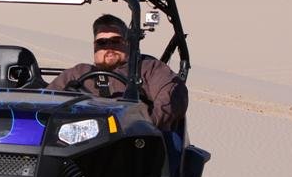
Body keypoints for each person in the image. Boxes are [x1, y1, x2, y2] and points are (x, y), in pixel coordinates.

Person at [47, 14, 188, 131]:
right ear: (95, 47)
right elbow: (46, 99)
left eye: (116, 41)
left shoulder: (149, 68)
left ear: (127, 43)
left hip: (134, 138)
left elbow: (172, 96)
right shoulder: (78, 73)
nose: (109, 47)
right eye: (102, 43)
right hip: (81, 140)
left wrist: (145, 123)